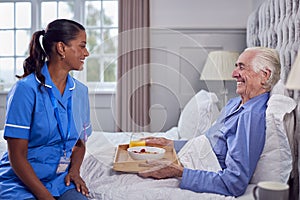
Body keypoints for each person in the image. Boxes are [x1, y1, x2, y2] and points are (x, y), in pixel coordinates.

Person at [139, 47, 281, 197]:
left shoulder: (251, 117)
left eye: (242, 67)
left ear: (264, 75)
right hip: (189, 156)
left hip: (195, 168)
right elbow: (209, 142)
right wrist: (171, 144)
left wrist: (176, 171)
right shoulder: (235, 103)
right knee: (130, 157)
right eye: (236, 67)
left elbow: (234, 183)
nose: (233, 74)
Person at [0, 19, 92, 200]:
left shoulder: (81, 92)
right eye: (81, 46)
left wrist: (74, 171)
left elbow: (80, 143)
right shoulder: (25, 90)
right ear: (61, 48)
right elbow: (17, 156)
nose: (86, 53)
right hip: (21, 182)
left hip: (60, 182)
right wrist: (45, 197)